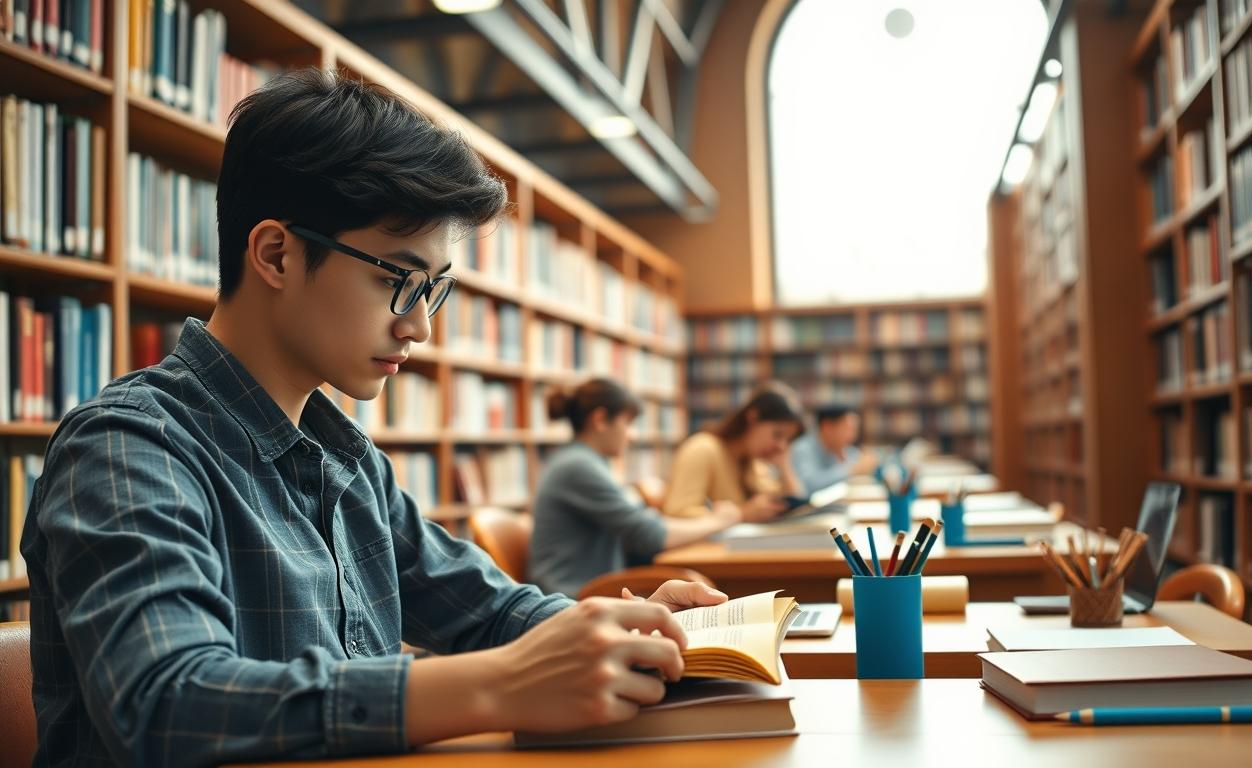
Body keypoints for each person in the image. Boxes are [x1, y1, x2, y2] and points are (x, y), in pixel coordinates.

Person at [20, 69, 725, 767]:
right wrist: (499, 685)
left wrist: (615, 629)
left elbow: (487, 611)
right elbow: (166, 706)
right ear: (276, 254)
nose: (420, 327)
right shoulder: (127, 445)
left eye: (434, 290)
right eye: (397, 280)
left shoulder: (346, 460)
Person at [529, 379, 742, 597]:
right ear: (600, 420)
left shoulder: (581, 462)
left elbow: (640, 527)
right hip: (573, 598)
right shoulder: (578, 467)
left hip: (588, 591)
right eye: (628, 423)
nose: (633, 435)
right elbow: (649, 535)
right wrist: (718, 521)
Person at [662, 383, 806, 519]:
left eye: (788, 440)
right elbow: (677, 512)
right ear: (753, 418)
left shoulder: (754, 464)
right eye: (777, 434)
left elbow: (795, 510)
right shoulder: (702, 449)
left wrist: (784, 466)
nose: (781, 447)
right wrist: (742, 514)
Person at [790, 404, 879, 494]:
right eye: (848, 429)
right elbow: (808, 486)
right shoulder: (802, 449)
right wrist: (851, 471)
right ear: (827, 426)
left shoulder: (846, 450)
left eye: (855, 430)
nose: (853, 436)